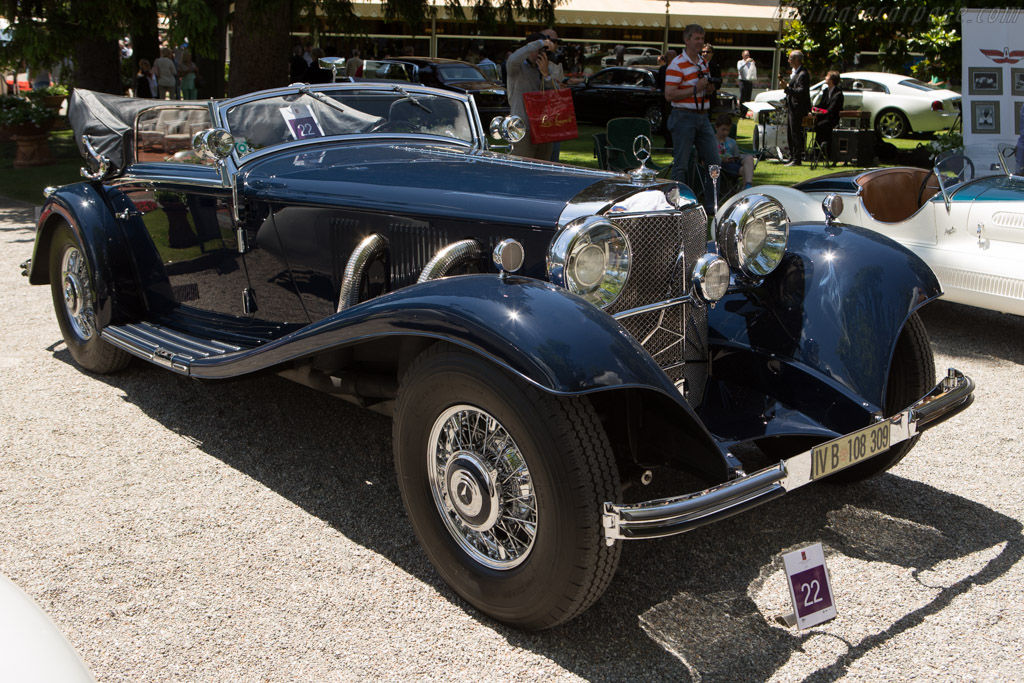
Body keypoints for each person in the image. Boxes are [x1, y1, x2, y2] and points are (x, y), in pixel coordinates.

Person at [664, 24, 720, 204]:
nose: (700, 43)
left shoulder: (703, 63)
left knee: (714, 161)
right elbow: (669, 94)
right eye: (696, 39)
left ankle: (712, 204)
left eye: (702, 39)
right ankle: (677, 204)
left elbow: (702, 89)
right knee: (681, 164)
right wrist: (695, 89)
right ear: (686, 40)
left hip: (702, 117)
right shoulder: (677, 64)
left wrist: (708, 89)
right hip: (683, 116)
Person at [506, 31, 561, 160]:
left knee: (542, 167)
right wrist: (541, 43)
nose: (541, 54)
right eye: (539, 50)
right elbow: (513, 58)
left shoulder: (544, 68)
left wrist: (546, 75)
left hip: (543, 126)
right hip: (521, 127)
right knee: (521, 168)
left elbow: (556, 94)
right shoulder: (517, 68)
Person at [780, 49, 810, 166]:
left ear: (797, 60)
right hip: (792, 106)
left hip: (798, 108)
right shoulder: (797, 73)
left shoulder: (803, 74)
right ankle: (792, 156)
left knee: (796, 133)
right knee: (791, 133)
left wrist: (787, 88)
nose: (789, 61)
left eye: (790, 58)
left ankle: (797, 159)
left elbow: (801, 91)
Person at [714, 113, 754, 189]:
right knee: (746, 170)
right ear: (716, 127)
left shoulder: (732, 142)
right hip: (721, 165)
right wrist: (722, 159)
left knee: (749, 158)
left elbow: (737, 156)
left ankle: (748, 185)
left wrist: (734, 158)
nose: (725, 132)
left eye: (728, 130)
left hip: (732, 162)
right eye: (723, 129)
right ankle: (746, 190)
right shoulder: (711, 141)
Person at [813, 70, 844, 160]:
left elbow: (831, 110)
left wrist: (818, 113)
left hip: (832, 119)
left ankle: (819, 152)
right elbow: (822, 105)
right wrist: (813, 109)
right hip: (824, 117)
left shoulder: (838, 94)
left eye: (827, 76)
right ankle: (817, 151)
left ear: (832, 80)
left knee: (820, 126)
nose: (825, 78)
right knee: (815, 125)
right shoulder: (826, 91)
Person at [655, 49, 677, 146]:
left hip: (677, 100)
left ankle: (674, 143)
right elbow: (659, 83)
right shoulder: (663, 69)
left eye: (668, 57)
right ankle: (668, 142)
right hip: (665, 101)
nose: (666, 59)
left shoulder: (679, 69)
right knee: (666, 122)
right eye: (666, 57)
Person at [736, 50, 757, 117]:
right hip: (743, 81)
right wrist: (745, 62)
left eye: (748, 55)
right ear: (743, 56)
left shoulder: (750, 63)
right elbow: (739, 69)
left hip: (749, 82)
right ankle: (741, 113)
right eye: (746, 55)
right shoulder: (740, 62)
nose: (747, 57)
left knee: (748, 98)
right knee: (742, 98)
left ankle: (745, 113)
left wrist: (753, 64)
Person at [701, 44, 721, 111]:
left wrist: (711, 85)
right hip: (698, 95)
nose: (705, 54)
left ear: (712, 54)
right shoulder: (697, 64)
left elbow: (719, 82)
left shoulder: (715, 66)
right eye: (703, 52)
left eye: (708, 52)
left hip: (710, 96)